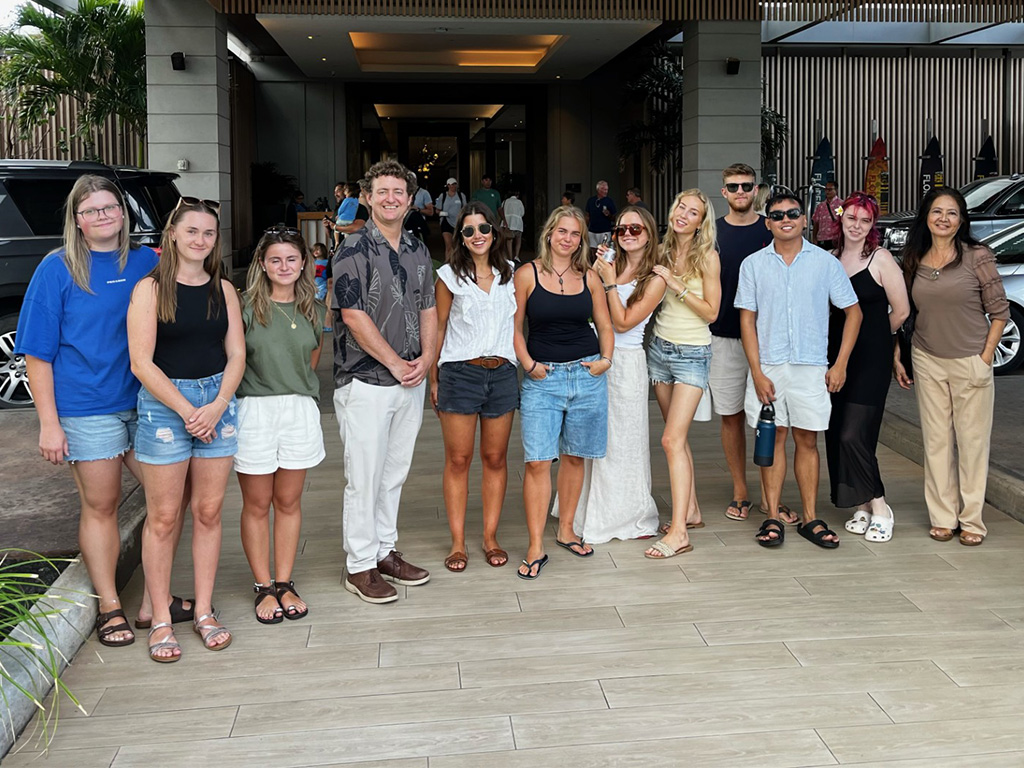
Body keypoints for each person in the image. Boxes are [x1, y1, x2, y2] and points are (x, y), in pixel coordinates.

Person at [15, 174, 173, 649]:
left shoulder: (148, 262)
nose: (102, 216)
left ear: (122, 214)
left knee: (169, 500)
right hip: (87, 408)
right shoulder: (57, 268)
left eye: (110, 208)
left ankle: (154, 601)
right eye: (91, 211)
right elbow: (36, 354)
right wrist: (48, 423)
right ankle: (109, 605)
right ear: (77, 220)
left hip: (146, 404)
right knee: (101, 505)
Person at [128, 196, 244, 661]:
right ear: (172, 234)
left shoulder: (224, 290)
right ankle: (159, 617)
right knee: (163, 517)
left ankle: (203, 611)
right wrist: (187, 410)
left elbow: (236, 354)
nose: (200, 240)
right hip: (163, 408)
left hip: (218, 402)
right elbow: (141, 362)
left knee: (209, 512)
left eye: (209, 233)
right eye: (192, 231)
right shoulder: (150, 290)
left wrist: (216, 406)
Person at [333, 160, 437, 603]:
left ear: (410, 201)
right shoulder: (351, 249)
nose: (391, 198)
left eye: (399, 191)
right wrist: (396, 362)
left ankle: (384, 550)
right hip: (366, 381)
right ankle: (359, 565)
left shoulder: (417, 247)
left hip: (409, 380)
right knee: (365, 475)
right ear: (368, 197)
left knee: (393, 473)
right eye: (383, 191)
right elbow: (354, 316)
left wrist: (427, 358)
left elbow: (429, 307)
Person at [736, 192, 861, 550]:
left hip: (811, 367)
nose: (785, 219)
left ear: (805, 220)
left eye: (792, 213)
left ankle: (809, 518)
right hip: (770, 367)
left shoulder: (824, 263)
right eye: (777, 215)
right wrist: (757, 372)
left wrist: (840, 364)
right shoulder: (753, 265)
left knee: (808, 441)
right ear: (767, 222)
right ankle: (772, 516)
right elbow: (747, 319)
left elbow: (854, 312)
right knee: (772, 440)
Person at [894, 188, 1009, 546]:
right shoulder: (914, 257)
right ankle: (943, 517)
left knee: (972, 444)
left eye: (952, 213)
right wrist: (899, 354)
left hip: (970, 360)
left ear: (962, 220)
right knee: (937, 443)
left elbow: (1000, 313)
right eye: (937, 211)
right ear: (926, 216)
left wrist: (985, 357)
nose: (944, 218)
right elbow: (906, 313)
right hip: (927, 359)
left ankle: (972, 520)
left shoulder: (978, 256)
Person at [513, 205, 613, 579]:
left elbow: (603, 323)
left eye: (575, 234)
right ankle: (536, 544)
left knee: (575, 456)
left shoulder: (589, 277)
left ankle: (566, 529)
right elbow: (515, 326)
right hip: (544, 378)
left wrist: (606, 359)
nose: (568, 239)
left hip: (586, 374)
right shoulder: (527, 274)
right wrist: (528, 365)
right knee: (538, 461)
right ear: (549, 233)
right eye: (562, 232)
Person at [236, 226, 326, 623]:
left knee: (288, 502)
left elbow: (311, 362)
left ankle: (285, 581)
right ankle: (263, 586)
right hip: (254, 410)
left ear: (303, 262)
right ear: (262, 263)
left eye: (292, 258)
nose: (284, 266)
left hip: (299, 410)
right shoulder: (243, 307)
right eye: (275, 259)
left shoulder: (314, 308)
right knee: (257, 504)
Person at [557, 205, 663, 543]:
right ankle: (584, 510)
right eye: (621, 230)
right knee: (591, 440)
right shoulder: (607, 266)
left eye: (636, 229)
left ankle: (624, 515)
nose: (628, 234)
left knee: (623, 442)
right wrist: (593, 271)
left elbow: (622, 322)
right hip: (594, 358)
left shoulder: (656, 277)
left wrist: (607, 283)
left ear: (649, 234)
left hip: (627, 362)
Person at [430, 202, 517, 573]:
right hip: (460, 373)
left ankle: (490, 536)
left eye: (483, 228)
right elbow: (439, 327)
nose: (477, 235)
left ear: (494, 232)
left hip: (502, 374)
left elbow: (518, 326)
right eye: (468, 230)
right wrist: (433, 378)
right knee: (459, 460)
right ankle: (458, 542)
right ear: (460, 238)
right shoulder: (449, 276)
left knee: (496, 459)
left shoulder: (512, 273)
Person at [642, 190, 722, 559]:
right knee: (678, 438)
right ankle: (690, 511)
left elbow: (712, 313)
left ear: (701, 222)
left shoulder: (707, 256)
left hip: (692, 354)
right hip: (659, 350)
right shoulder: (661, 250)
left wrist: (677, 286)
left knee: (671, 440)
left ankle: (678, 533)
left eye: (693, 212)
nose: (684, 215)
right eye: (680, 208)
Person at [826, 193, 909, 543]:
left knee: (854, 433)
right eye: (852, 219)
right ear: (841, 220)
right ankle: (859, 503)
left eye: (865, 221)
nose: (857, 226)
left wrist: (875, 337)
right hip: (834, 357)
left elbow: (901, 310)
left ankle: (879, 505)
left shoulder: (880, 259)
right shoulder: (829, 258)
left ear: (872, 225)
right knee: (836, 432)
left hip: (871, 358)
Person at [708, 164, 773, 523]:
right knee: (731, 416)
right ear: (724, 192)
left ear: (756, 189)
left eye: (747, 186)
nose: (740, 192)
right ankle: (740, 491)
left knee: (770, 418)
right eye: (733, 187)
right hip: (725, 338)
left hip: (769, 340)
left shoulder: (771, 227)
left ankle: (770, 496)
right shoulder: (712, 233)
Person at [436, 177, 467, 256]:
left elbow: (465, 209)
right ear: (448, 186)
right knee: (448, 245)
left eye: (454, 184)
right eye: (450, 185)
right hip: (446, 222)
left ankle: (458, 262)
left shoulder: (461, 195)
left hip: (458, 222)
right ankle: (448, 264)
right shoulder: (442, 196)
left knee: (458, 245)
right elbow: (437, 210)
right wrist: (442, 213)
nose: (452, 186)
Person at [584, 180, 616, 249]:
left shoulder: (609, 201)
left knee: (604, 250)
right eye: (604, 189)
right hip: (592, 231)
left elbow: (614, 217)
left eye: (607, 190)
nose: (606, 191)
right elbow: (587, 216)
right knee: (592, 250)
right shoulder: (591, 200)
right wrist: (584, 228)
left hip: (605, 231)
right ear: (598, 189)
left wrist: (609, 214)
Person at [812, 181, 842, 250]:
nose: (827, 192)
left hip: (835, 240)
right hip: (821, 240)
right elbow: (816, 223)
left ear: (836, 190)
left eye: (830, 189)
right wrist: (814, 239)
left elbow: (844, 223)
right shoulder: (820, 206)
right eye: (826, 189)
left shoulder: (841, 205)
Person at [312, 241, 333, 332]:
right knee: (314, 306)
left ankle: (325, 323)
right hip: (314, 285)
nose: (316, 251)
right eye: (314, 250)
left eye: (318, 249)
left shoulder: (327, 262)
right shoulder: (313, 262)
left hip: (324, 285)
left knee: (322, 305)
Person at [500, 188, 525, 262]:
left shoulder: (505, 201)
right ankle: (516, 256)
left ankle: (510, 257)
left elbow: (501, 211)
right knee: (518, 240)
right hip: (517, 223)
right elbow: (522, 212)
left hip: (508, 224)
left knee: (509, 240)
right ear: (517, 195)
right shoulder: (519, 202)